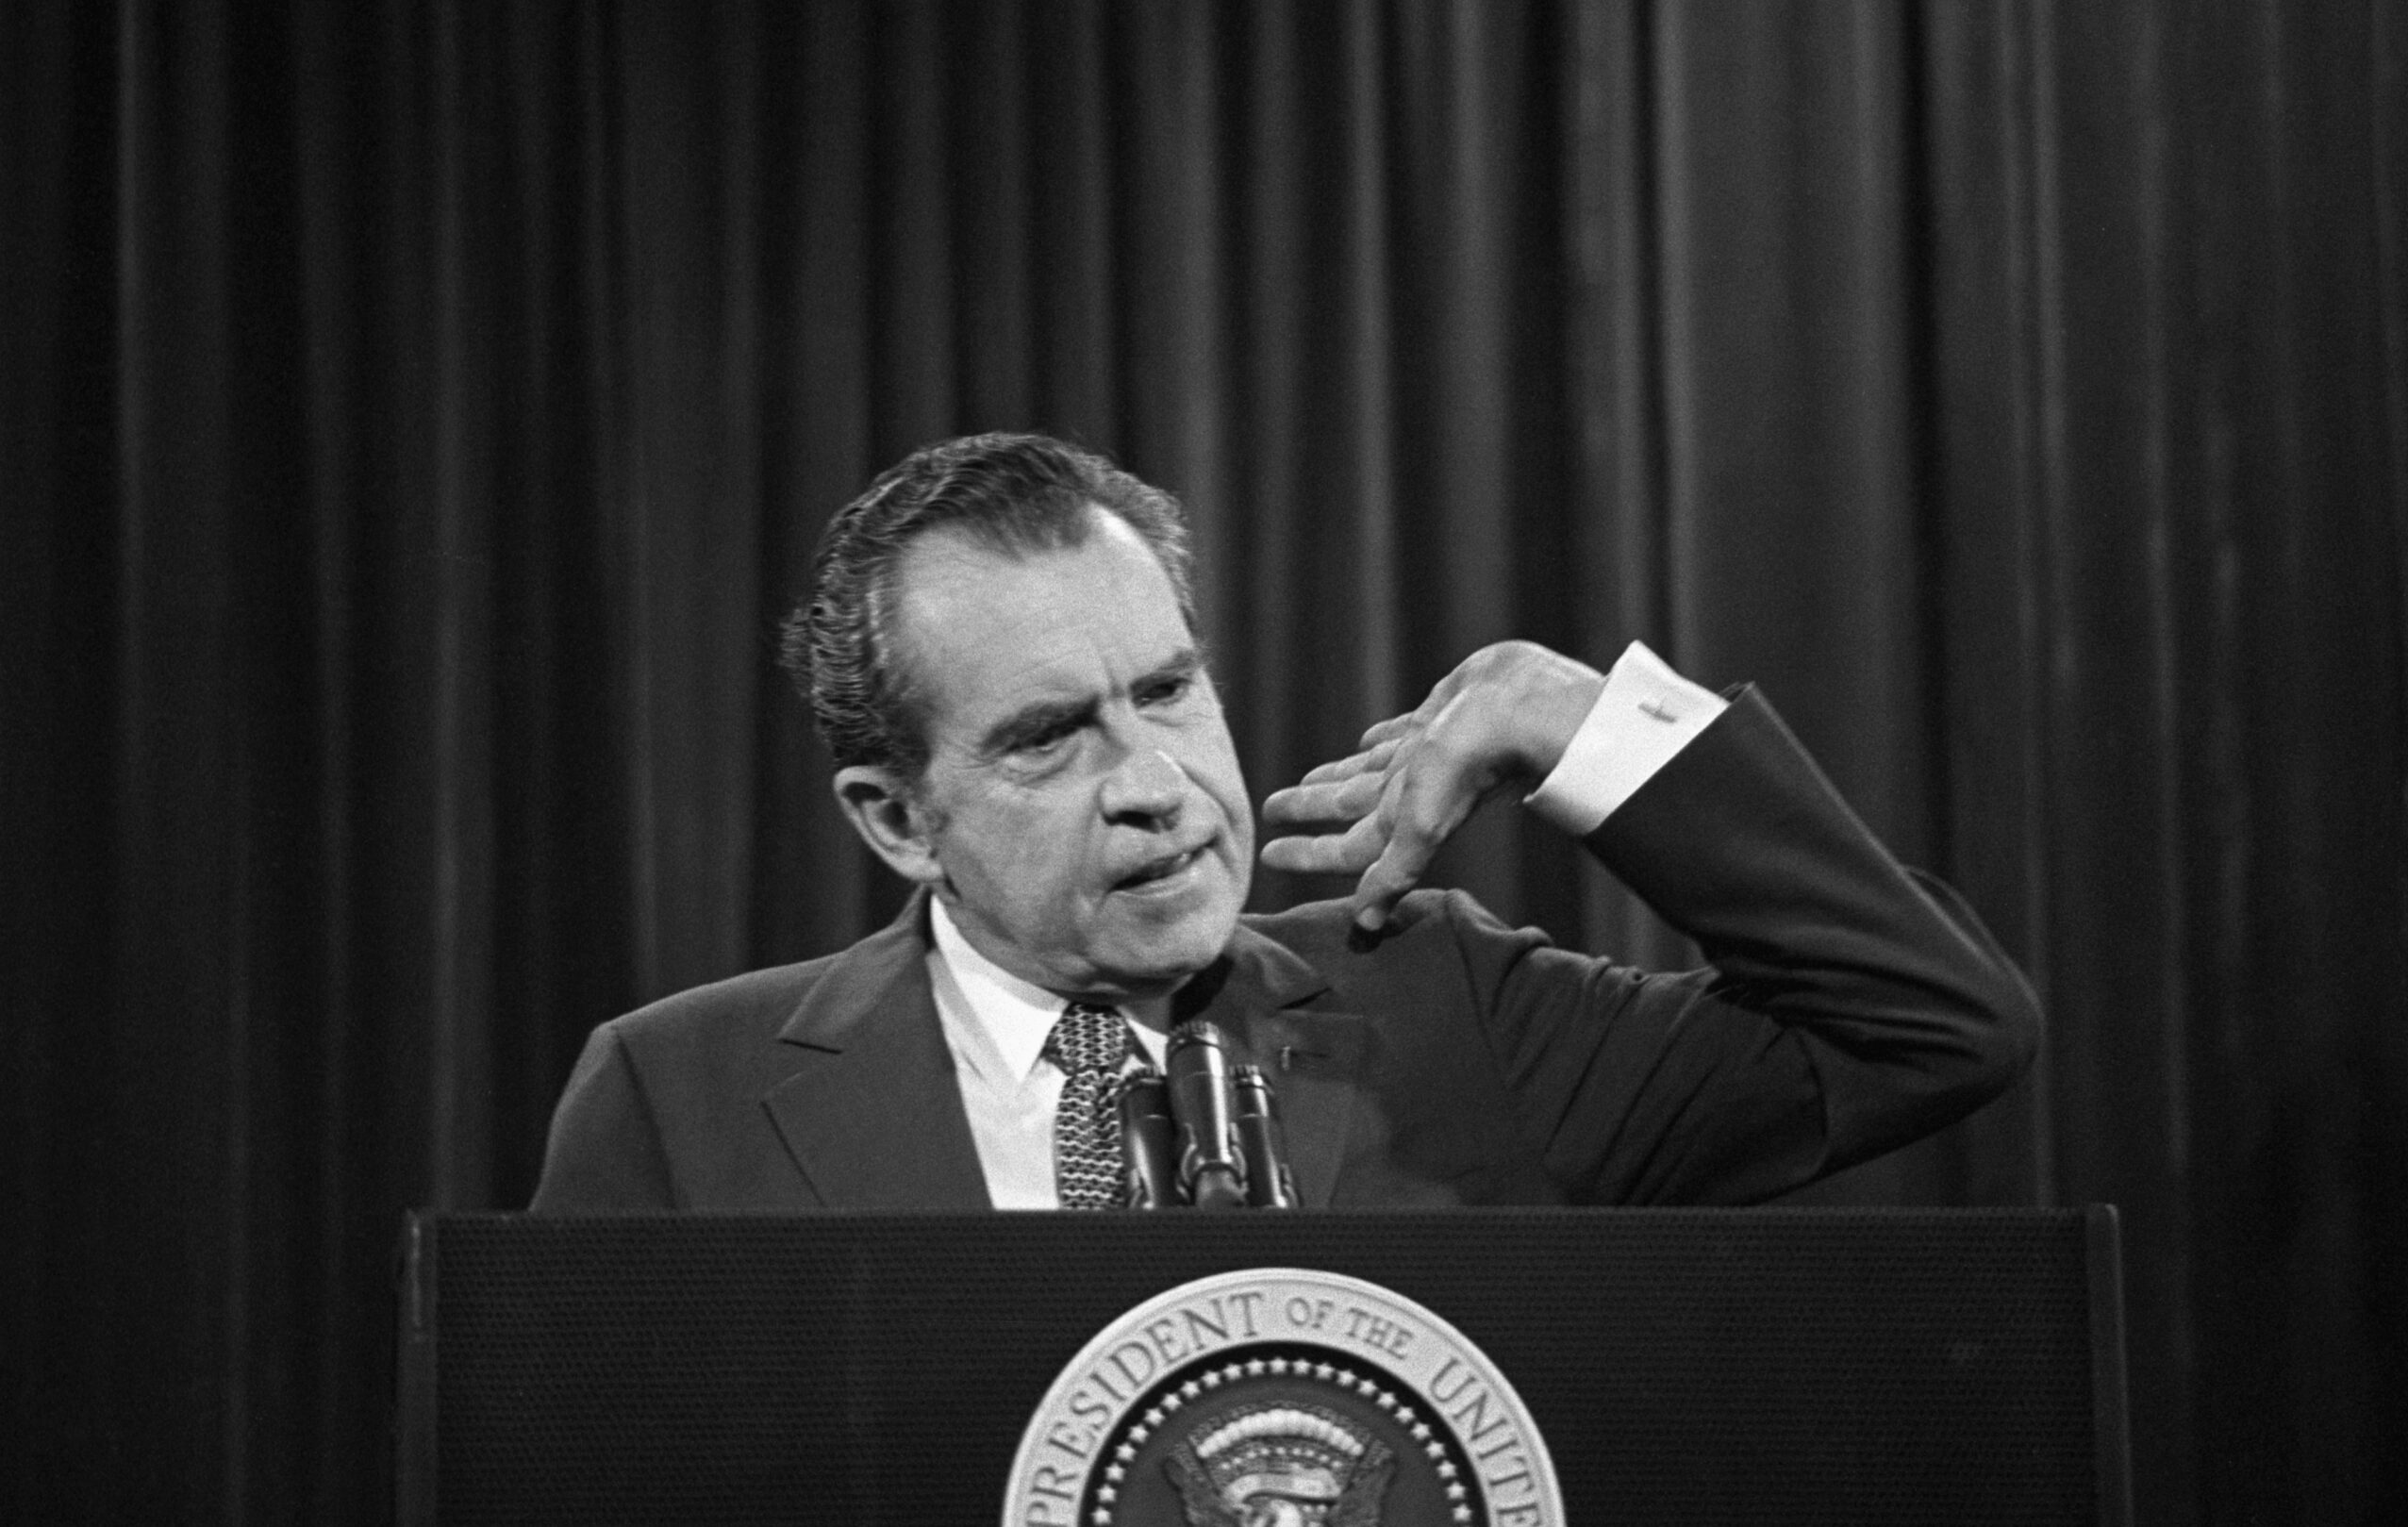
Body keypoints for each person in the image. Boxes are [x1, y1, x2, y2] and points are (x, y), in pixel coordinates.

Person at [530, 432, 2037, 1212]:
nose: (1152, 779)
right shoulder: (680, 1103)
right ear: (897, 819)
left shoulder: (1446, 1006)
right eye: (1051, 737)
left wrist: (1575, 719)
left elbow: (1929, 1028)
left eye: (1169, 690)